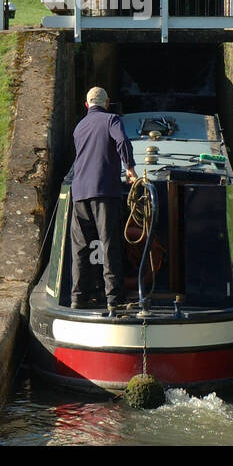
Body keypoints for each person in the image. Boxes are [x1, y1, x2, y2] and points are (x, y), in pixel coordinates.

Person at [69, 86, 137, 315]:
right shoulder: (112, 120)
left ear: (86, 105)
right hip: (104, 192)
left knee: (80, 248)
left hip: (78, 194)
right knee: (110, 245)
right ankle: (114, 299)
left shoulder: (79, 127)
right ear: (107, 104)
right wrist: (130, 168)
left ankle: (78, 298)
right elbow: (122, 142)